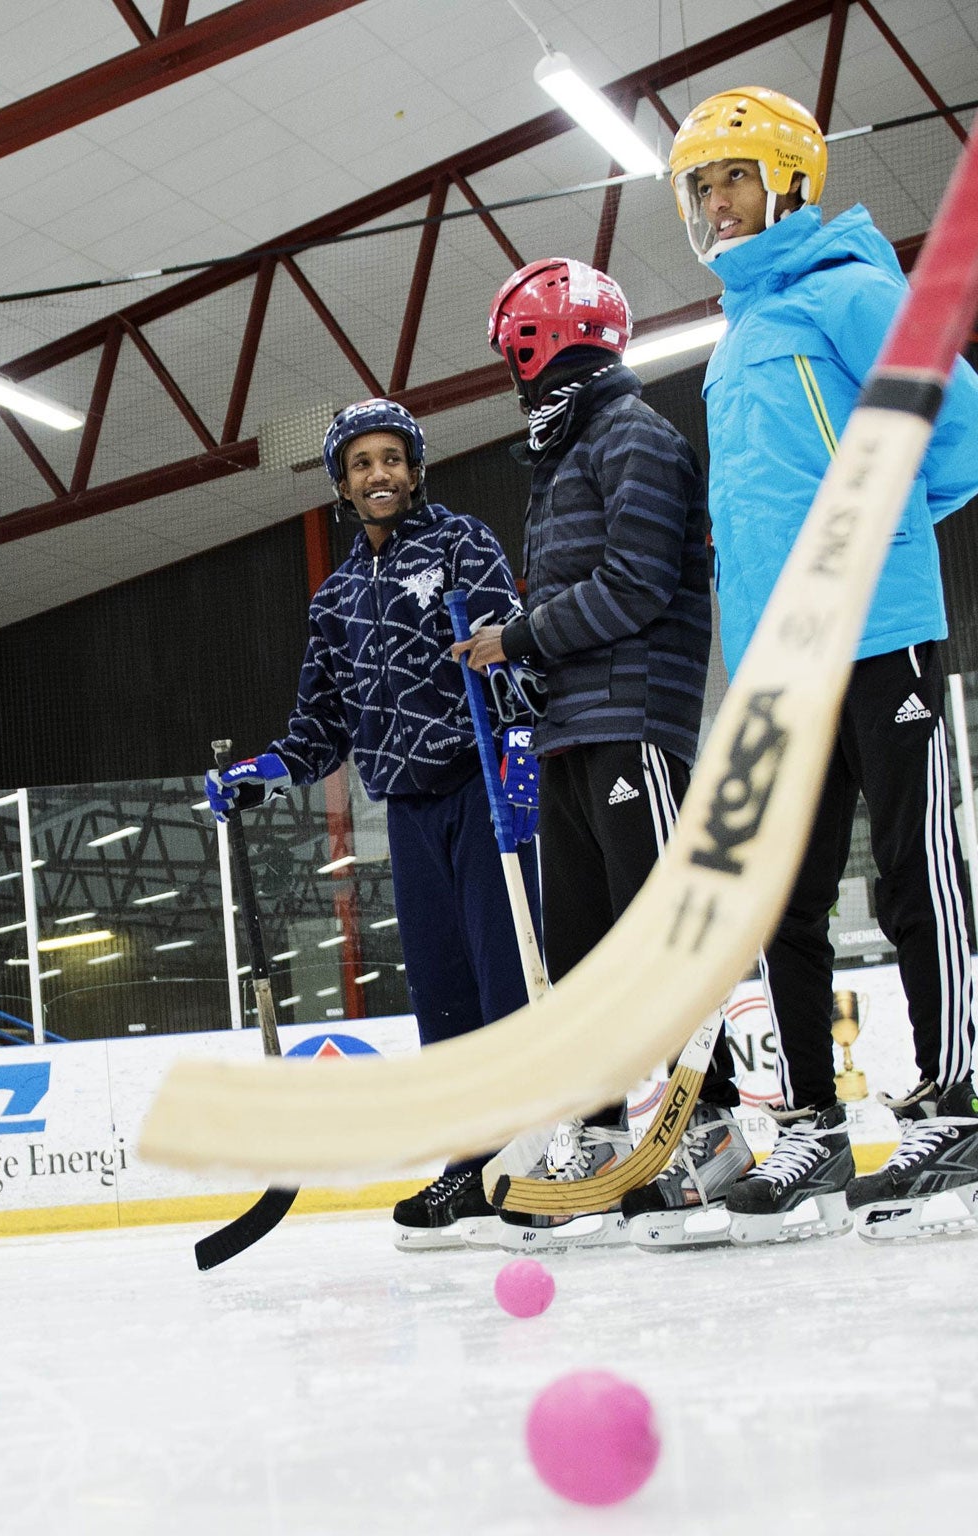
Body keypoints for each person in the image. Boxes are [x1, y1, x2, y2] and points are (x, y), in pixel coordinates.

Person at [666, 86, 978, 1244]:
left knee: (911, 869)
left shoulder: (852, 291)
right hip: (774, 661)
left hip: (877, 629)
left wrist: (878, 546)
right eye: (700, 188)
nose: (714, 202)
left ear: (787, 179)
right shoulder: (736, 331)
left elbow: (957, 437)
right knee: (781, 901)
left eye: (731, 177)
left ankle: (956, 1100)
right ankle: (810, 1121)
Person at [204, 398, 538, 1250]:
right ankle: (471, 1158)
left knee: (511, 986)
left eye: (393, 458)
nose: (379, 473)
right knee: (443, 997)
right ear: (342, 485)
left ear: (416, 469)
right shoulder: (337, 597)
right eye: (362, 464)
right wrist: (261, 775)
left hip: (483, 792)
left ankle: (532, 1153)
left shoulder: (462, 543)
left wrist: (524, 750)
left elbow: (513, 654)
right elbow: (320, 728)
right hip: (409, 811)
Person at [458, 258, 744, 1253]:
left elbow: (632, 587)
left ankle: (708, 1130)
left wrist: (520, 638)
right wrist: (521, 668)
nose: (510, 371)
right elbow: (578, 597)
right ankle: (594, 1134)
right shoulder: (564, 451)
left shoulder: (633, 437)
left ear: (544, 339)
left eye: (513, 350)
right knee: (579, 952)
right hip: (572, 726)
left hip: (634, 724)